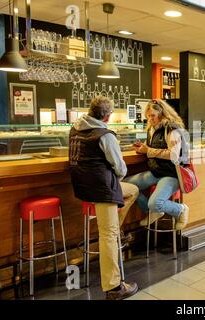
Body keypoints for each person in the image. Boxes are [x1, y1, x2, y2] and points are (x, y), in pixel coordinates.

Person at [69, 96, 139, 300]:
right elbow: (120, 168)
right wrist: (114, 179)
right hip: (101, 190)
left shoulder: (75, 129)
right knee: (107, 235)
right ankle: (114, 287)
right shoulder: (105, 135)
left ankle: (119, 227)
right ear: (107, 116)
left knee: (132, 190)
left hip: (82, 187)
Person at [125, 99, 189, 231]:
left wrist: (148, 150)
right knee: (126, 187)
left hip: (171, 174)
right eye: (148, 115)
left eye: (153, 115)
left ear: (162, 114)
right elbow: (153, 148)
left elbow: (173, 155)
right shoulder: (151, 129)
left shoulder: (172, 129)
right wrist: (142, 147)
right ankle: (153, 211)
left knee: (155, 202)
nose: (150, 118)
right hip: (155, 172)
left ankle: (181, 209)